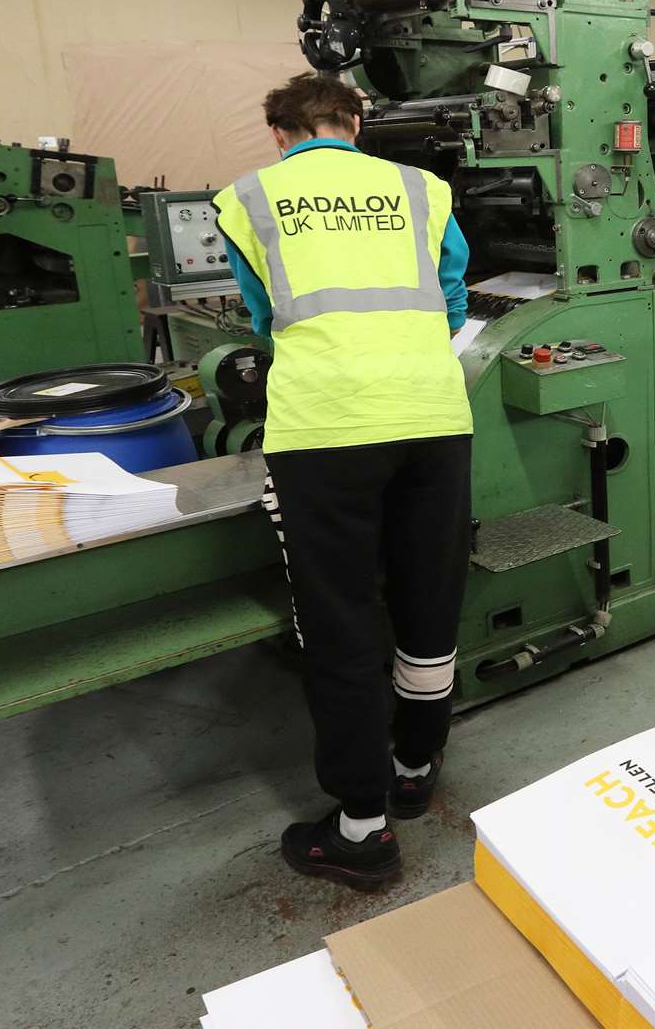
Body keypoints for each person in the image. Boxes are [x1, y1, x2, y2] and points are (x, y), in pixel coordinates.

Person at [213, 72, 473, 889]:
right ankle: (413, 766)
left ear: (278, 133)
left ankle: (362, 830)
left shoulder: (248, 197)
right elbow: (453, 298)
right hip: (433, 420)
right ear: (356, 121)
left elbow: (263, 317)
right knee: (429, 598)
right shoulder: (422, 189)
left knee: (340, 620)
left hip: (324, 431)